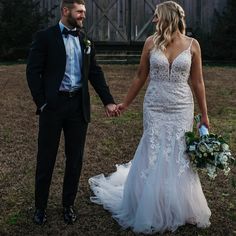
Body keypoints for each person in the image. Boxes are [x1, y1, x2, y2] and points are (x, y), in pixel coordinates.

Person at [89, 1, 211, 234]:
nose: (153, 20)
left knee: (178, 151)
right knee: (154, 149)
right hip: (154, 105)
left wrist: (204, 115)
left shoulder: (193, 45)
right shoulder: (149, 42)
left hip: (181, 106)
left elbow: (198, 82)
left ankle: (180, 205)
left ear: (167, 17)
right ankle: (149, 204)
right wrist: (125, 103)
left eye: (156, 16)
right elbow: (139, 76)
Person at [26, 0, 118, 225]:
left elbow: (94, 72)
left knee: (75, 159)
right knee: (46, 158)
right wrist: (43, 103)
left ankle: (68, 205)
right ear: (65, 11)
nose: (83, 15)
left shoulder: (85, 40)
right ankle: (40, 207)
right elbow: (32, 72)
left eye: (84, 12)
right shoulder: (45, 37)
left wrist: (108, 101)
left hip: (78, 107)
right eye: (79, 11)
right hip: (53, 107)